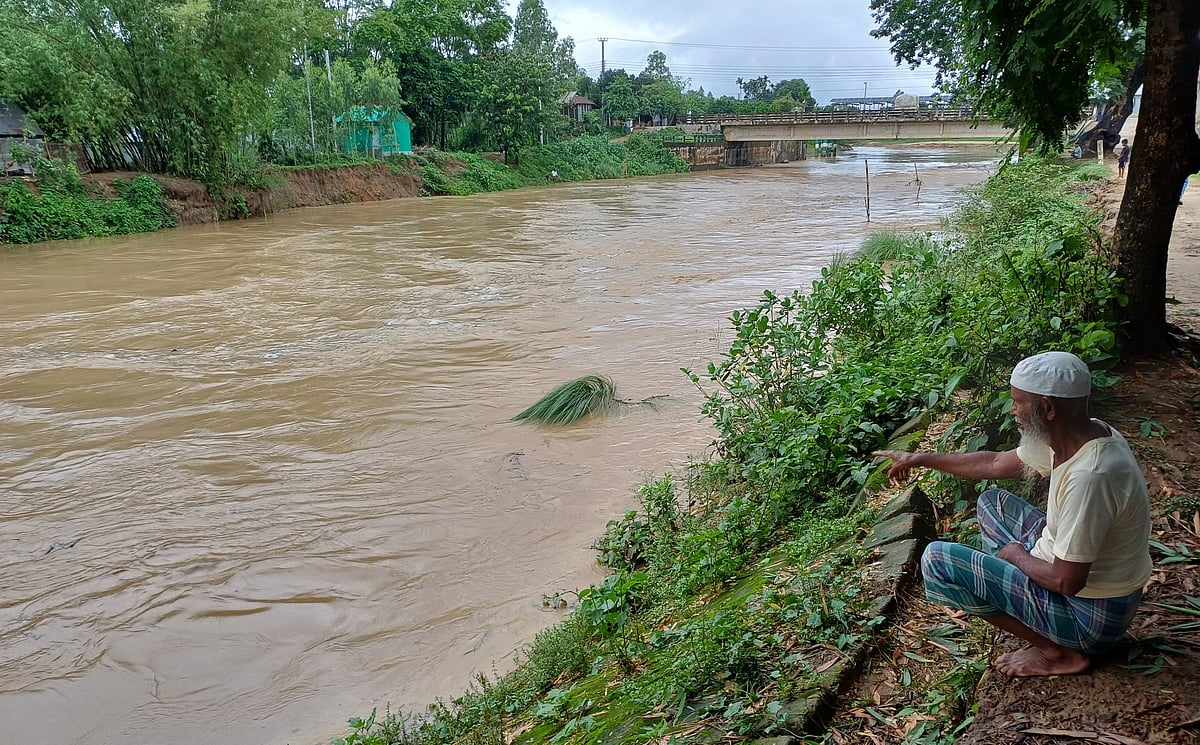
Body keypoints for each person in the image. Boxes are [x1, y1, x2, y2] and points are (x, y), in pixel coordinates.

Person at [874, 351, 1151, 677]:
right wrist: (918, 458)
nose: (1013, 410)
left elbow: (1067, 581)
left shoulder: (1091, 476)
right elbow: (993, 464)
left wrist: (1014, 555)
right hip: (1078, 579)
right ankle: (1020, 594)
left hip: (1090, 618)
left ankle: (1056, 653)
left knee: (937, 560)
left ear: (1048, 408)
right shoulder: (1077, 433)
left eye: (1019, 402)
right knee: (992, 503)